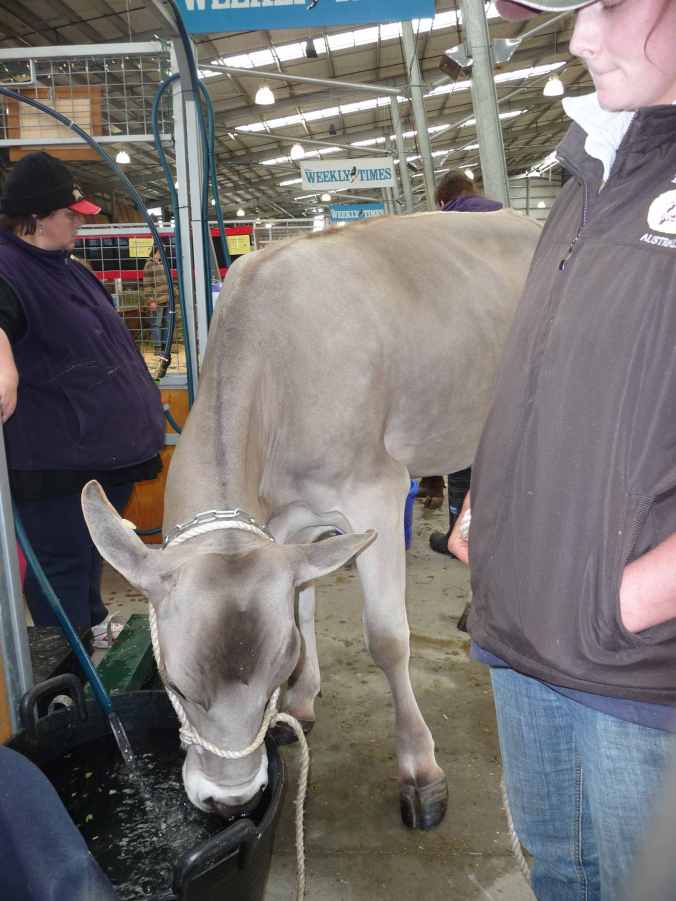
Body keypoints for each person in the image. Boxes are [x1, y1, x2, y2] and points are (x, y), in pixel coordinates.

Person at [448, 1, 676, 898]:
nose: (581, 36)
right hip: (522, 625)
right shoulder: (590, 172)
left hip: (632, 662)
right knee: (559, 872)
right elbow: (545, 364)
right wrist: (485, 503)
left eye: (612, 1)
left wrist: (636, 594)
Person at [0, 152, 164, 646]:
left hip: (96, 458)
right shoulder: (8, 267)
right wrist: (4, 363)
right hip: (54, 463)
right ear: (36, 217)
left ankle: (91, 632)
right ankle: (66, 667)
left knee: (88, 557)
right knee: (63, 566)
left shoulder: (65, 268)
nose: (80, 222)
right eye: (70, 214)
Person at [425, 171, 502, 557]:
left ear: (442, 200)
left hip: (467, 344)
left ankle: (459, 534)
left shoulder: (443, 225)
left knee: (463, 446)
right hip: (512, 343)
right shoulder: (504, 217)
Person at [143, 243, 170, 353]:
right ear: (157, 250)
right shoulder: (149, 264)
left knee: (167, 322)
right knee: (156, 323)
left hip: (167, 298)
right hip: (157, 299)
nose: (164, 252)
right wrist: (150, 301)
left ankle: (165, 346)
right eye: (162, 250)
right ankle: (157, 348)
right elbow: (147, 284)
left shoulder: (164, 263)